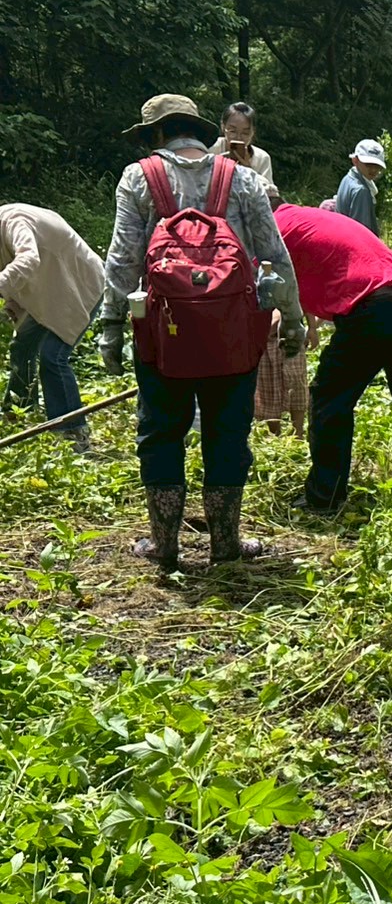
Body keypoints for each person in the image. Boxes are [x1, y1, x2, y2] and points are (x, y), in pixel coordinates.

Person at [99, 93, 306, 569]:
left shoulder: (139, 178)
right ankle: (225, 545)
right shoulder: (244, 179)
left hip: (161, 332)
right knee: (228, 433)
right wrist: (292, 319)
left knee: (161, 432)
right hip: (234, 332)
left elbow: (122, 260)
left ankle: (165, 545)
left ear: (155, 135)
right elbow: (275, 253)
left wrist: (112, 327)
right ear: (194, 128)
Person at [273, 202, 392, 512]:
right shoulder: (302, 218)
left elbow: (262, 292)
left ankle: (324, 497)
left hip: (374, 307)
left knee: (329, 398)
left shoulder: (272, 230)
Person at [208, 102, 309, 437]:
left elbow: (268, 196)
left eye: (245, 131)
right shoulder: (210, 155)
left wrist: (245, 168)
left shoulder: (261, 158)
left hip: (255, 236)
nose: (238, 136)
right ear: (222, 128)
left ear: (254, 133)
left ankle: (280, 416)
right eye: (232, 130)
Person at [0, 204, 105, 447]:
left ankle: (73, 432)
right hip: (49, 293)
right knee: (22, 347)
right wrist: (13, 305)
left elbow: (28, 258)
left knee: (53, 356)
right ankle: (21, 410)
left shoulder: (14, 221)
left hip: (80, 287)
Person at [335, 139, 385, 236]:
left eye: (377, 166)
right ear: (355, 160)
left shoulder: (348, 178)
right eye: (368, 165)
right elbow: (362, 233)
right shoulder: (361, 191)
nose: (373, 170)